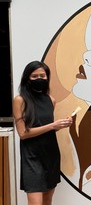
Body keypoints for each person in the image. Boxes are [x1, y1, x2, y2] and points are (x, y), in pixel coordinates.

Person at [13, 61, 73, 205]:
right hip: (32, 158)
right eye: (34, 76)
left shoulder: (51, 100)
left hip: (50, 155)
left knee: (47, 201)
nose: (39, 78)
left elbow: (45, 128)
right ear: (27, 78)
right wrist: (53, 125)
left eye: (42, 75)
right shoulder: (20, 100)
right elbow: (23, 133)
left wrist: (60, 125)